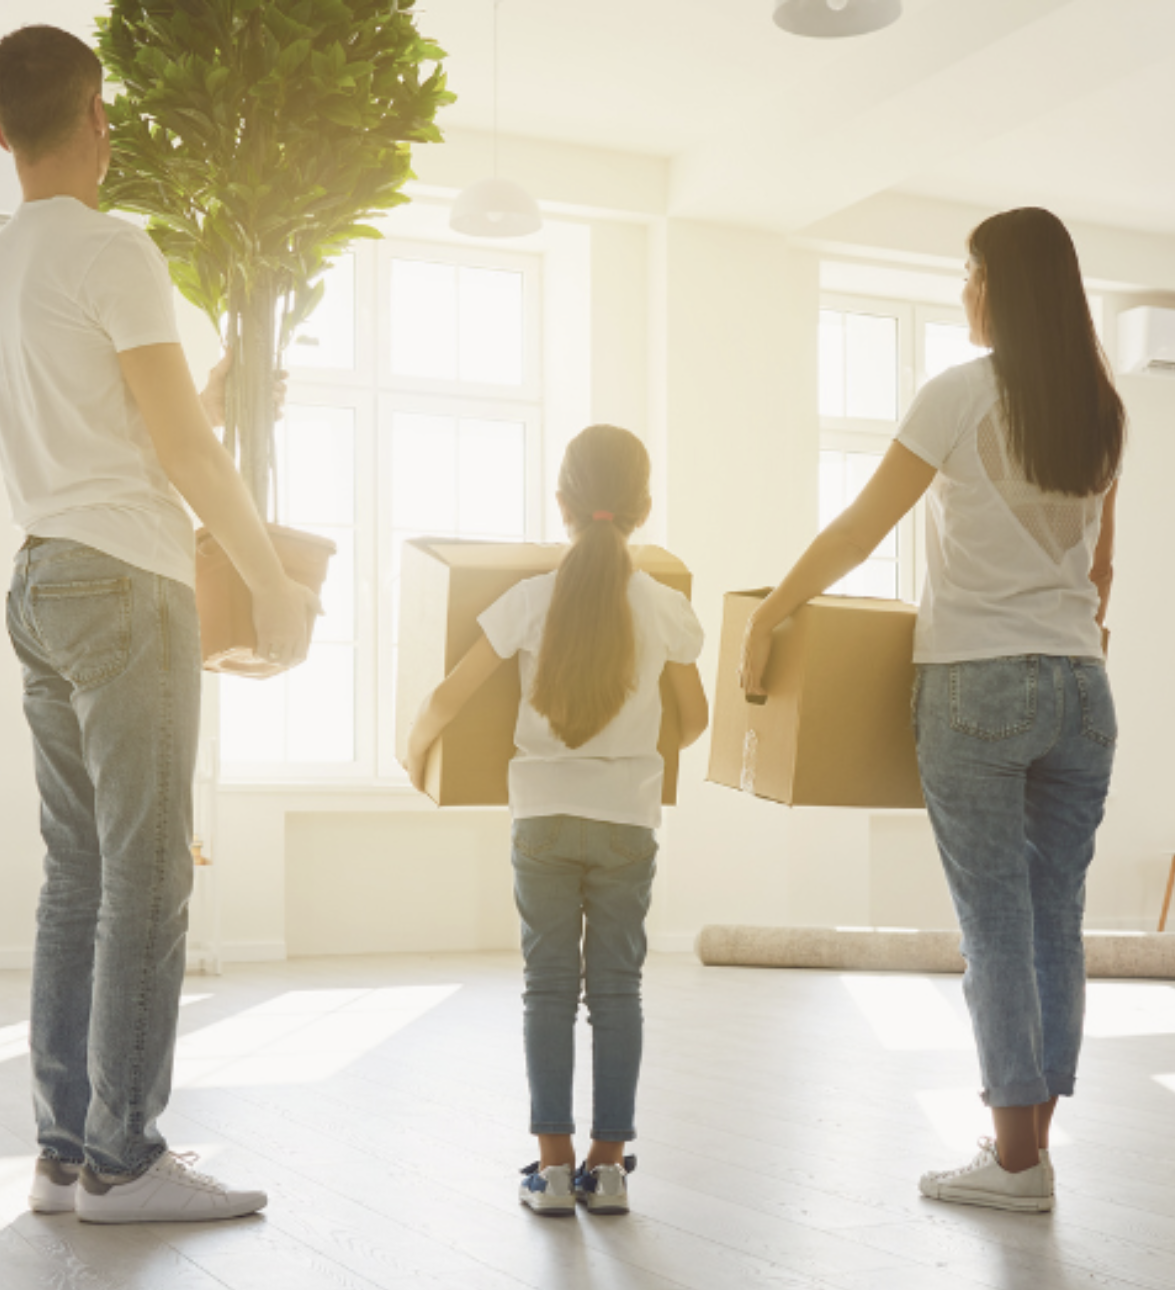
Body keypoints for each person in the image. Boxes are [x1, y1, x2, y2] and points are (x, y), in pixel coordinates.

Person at [0, 24, 317, 1225]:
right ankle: (129, 1158)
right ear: (99, 119)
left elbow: (126, 422)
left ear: (1, 130)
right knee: (151, 876)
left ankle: (65, 1153)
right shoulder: (114, 248)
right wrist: (270, 574)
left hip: (42, 579)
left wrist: (211, 401)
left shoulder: (2, 265)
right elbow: (176, 451)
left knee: (78, 877)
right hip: (126, 581)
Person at [740, 207, 1123, 1214]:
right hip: (1083, 688)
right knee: (1055, 925)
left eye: (970, 272)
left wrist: (771, 614)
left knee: (995, 926)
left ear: (1004, 285)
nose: (964, 290)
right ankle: (1026, 1156)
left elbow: (864, 530)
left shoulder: (958, 396)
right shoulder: (1099, 407)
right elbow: (1103, 569)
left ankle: (1013, 1165)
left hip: (978, 684)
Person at [402, 424, 710, 1218]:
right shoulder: (665, 608)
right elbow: (696, 719)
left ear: (563, 504)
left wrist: (416, 752)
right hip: (627, 823)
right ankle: (609, 1169)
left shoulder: (529, 601)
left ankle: (553, 1169)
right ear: (642, 507)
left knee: (547, 989)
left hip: (540, 818)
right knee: (617, 989)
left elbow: (446, 697)